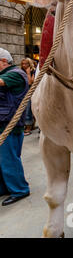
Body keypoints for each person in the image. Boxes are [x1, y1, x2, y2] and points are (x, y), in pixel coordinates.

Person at [0, 48, 30, 206]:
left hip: (9, 125)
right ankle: (5, 187)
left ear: (4, 61)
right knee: (2, 160)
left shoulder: (16, 73)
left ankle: (20, 189)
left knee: (9, 159)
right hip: (3, 123)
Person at [20, 58, 35, 136]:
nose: (24, 65)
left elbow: (30, 82)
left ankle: (28, 127)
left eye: (26, 64)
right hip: (22, 92)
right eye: (23, 64)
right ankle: (27, 125)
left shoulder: (33, 71)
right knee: (23, 109)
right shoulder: (21, 72)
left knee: (28, 109)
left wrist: (28, 73)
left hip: (30, 92)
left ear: (29, 64)